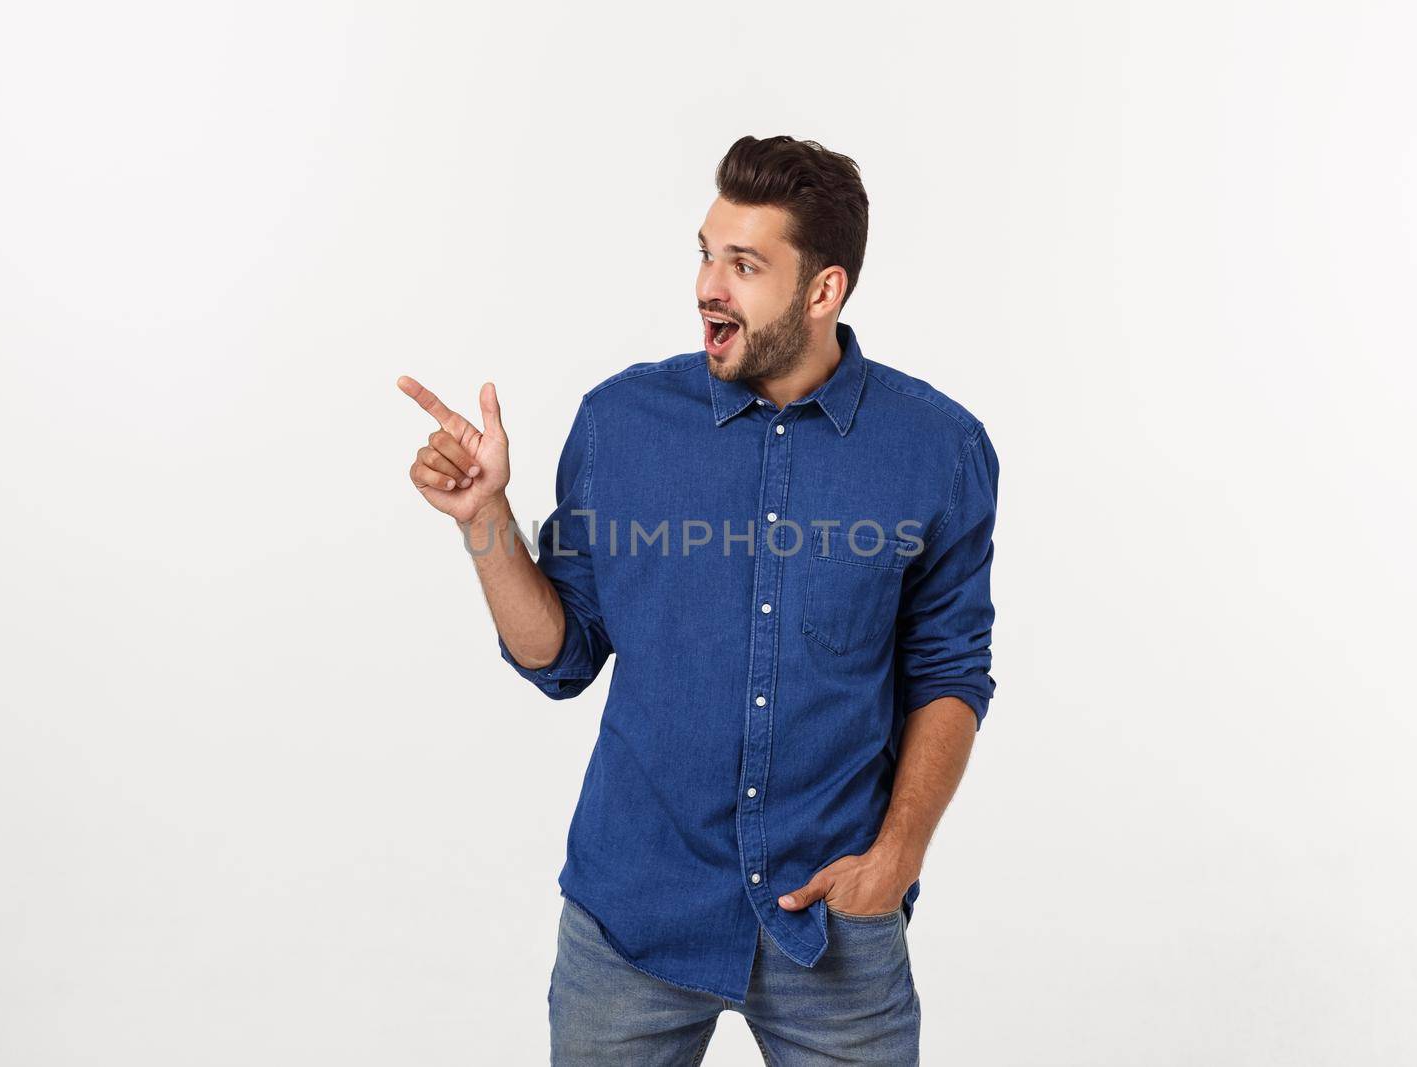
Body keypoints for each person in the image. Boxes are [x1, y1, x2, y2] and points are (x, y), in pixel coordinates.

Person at [397, 134, 999, 1065]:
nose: (708, 286)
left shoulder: (939, 450)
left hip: (832, 922)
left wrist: (899, 858)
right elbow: (559, 654)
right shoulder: (620, 423)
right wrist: (484, 519)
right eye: (706, 254)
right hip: (633, 913)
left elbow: (949, 672)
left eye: (745, 265)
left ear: (824, 291)